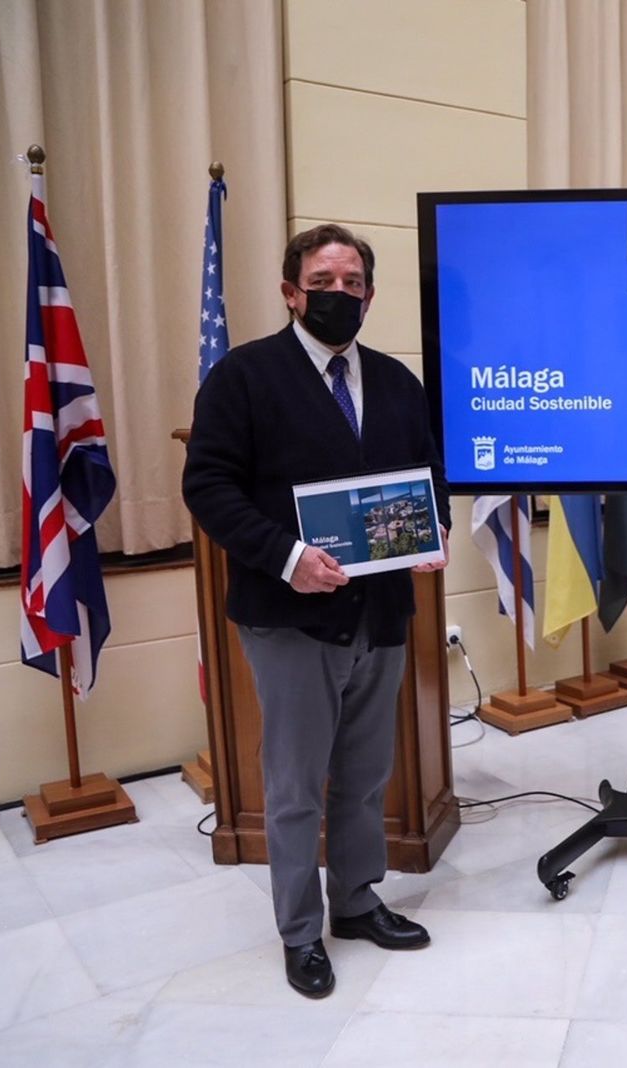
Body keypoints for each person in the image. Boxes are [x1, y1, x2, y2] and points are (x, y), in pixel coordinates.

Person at [182, 224, 450, 997]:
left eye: (354, 282)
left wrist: (430, 531)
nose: (340, 294)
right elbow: (209, 488)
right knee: (296, 785)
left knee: (365, 776)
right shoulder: (244, 376)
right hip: (290, 614)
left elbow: (425, 476)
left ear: (371, 292)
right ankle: (301, 931)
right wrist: (289, 557)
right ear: (291, 291)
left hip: (383, 611)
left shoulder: (398, 382)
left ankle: (358, 902)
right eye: (323, 281)